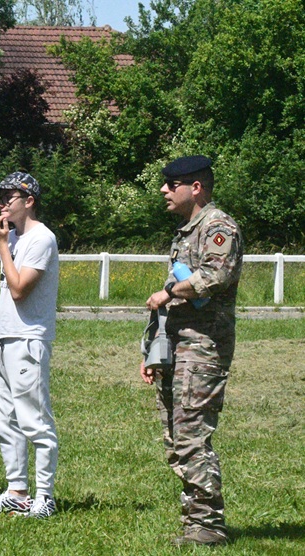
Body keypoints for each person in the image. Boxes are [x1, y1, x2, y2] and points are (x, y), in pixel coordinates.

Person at [140, 155, 242, 547]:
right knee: (176, 437)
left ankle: (208, 525)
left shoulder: (218, 227)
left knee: (192, 436)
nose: (164, 190)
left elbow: (215, 276)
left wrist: (167, 292)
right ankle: (195, 521)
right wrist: (152, 350)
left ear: (195, 187)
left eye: (172, 184)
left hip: (203, 348)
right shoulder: (186, 232)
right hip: (178, 347)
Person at [0, 171, 59, 519]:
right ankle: (17, 490)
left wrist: (1, 245)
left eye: (8, 198)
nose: (1, 204)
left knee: (34, 420)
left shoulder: (42, 239)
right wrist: (5, 242)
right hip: (2, 336)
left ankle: (45, 497)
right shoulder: (14, 238)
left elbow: (20, 289)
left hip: (28, 339)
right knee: (2, 417)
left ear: (29, 201)